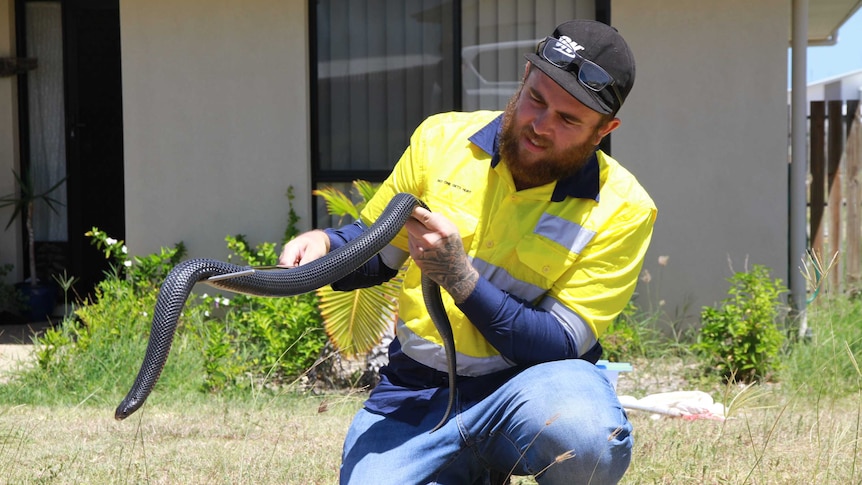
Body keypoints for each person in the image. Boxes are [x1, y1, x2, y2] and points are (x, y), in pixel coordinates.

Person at [280, 19, 656, 485]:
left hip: (527, 390)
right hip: (417, 392)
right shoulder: (441, 142)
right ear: (524, 77)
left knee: (587, 442)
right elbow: (378, 251)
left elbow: (555, 344)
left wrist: (460, 278)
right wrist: (327, 245)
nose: (540, 126)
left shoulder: (624, 208)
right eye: (535, 99)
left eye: (568, 119)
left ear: (604, 130)